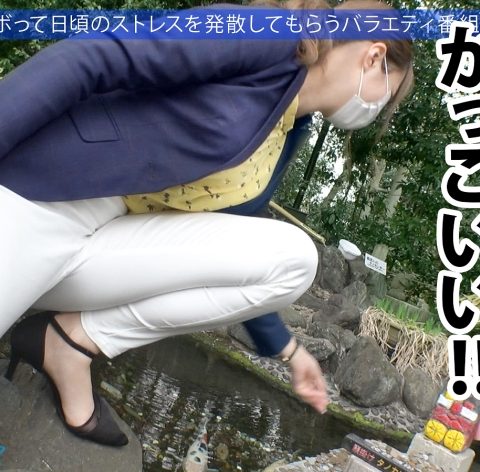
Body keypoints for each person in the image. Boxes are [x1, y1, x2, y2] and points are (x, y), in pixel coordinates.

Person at [0, 0, 414, 448]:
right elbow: (96, 55)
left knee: (294, 260)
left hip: (102, 244)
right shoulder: (269, 36)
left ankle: (71, 342)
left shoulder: (290, 129)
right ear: (373, 56)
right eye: (386, 97)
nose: (374, 112)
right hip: (49, 195)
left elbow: (229, 253)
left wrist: (291, 351)